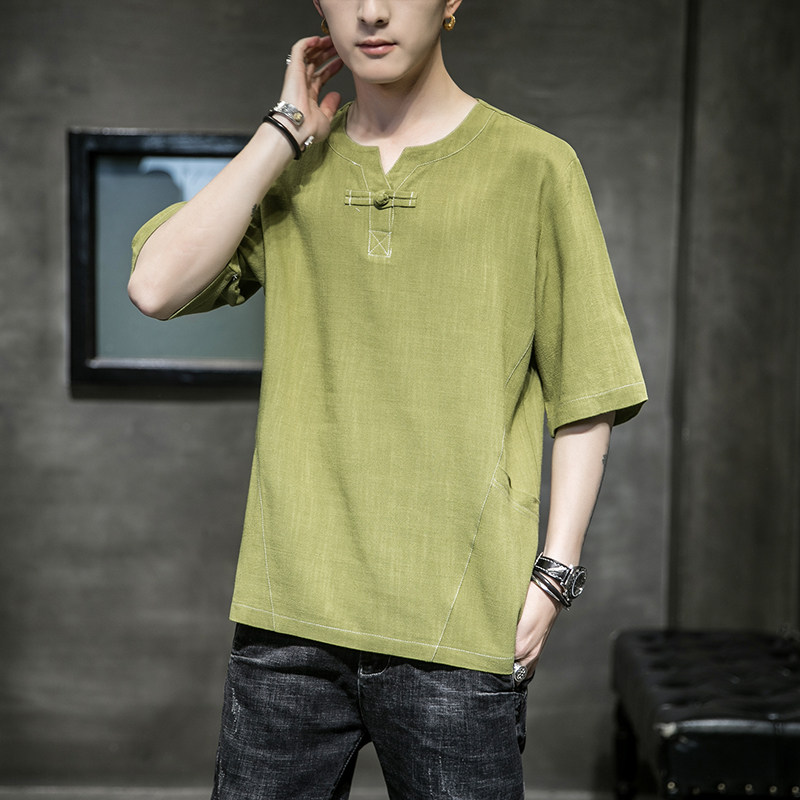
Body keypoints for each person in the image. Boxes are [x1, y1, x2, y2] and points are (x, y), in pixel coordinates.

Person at [129, 1, 647, 797]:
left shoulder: (535, 166)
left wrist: (555, 574)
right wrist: (282, 132)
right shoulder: (295, 167)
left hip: (458, 622)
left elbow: (587, 391)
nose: (371, 11)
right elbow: (155, 286)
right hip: (289, 622)